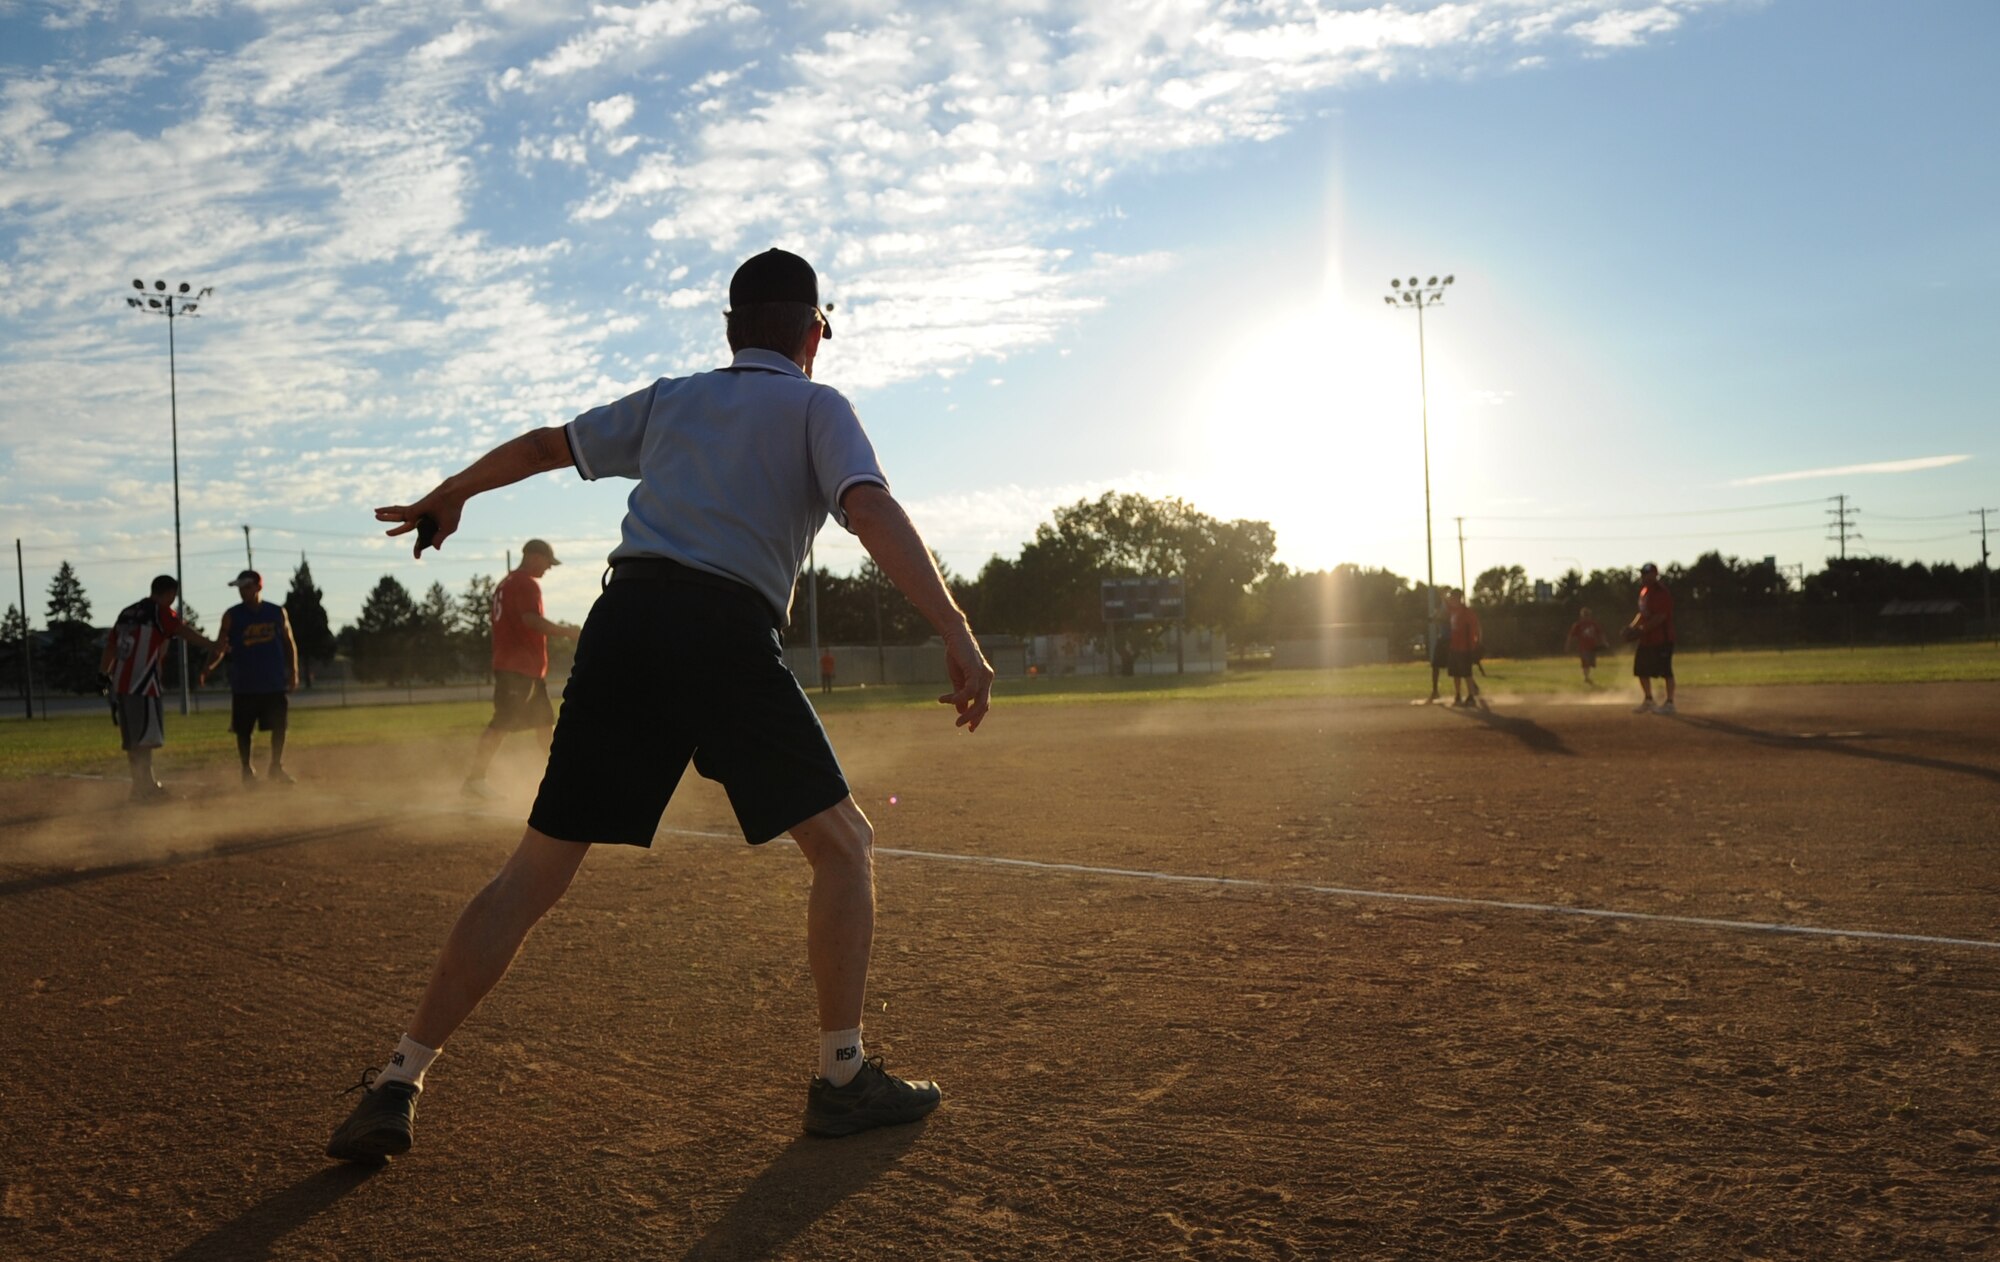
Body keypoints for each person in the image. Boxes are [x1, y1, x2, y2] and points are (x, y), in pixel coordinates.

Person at [328, 247, 995, 1165]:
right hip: (720, 631)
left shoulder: (673, 397)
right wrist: (957, 630)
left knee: (534, 873)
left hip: (623, 623)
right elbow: (869, 511)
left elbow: (542, 447)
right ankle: (843, 1078)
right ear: (814, 336)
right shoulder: (815, 404)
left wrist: (451, 495)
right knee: (846, 847)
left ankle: (399, 1079)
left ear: (730, 331)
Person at [462, 540, 579, 800]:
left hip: (527, 668)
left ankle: (556, 780)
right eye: (547, 562)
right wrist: (569, 633)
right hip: (517, 667)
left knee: (544, 723)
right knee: (502, 721)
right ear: (533, 556)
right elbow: (531, 620)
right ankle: (475, 779)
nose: (548, 568)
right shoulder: (525, 583)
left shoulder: (506, 582)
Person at [98, 575, 217, 803]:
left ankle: (139, 787)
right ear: (170, 593)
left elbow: (111, 645)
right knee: (144, 740)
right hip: (142, 684)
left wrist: (103, 675)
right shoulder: (159, 612)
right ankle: (147, 789)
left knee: (133, 741)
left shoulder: (128, 612)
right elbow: (184, 631)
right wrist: (213, 645)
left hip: (121, 684)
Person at [199, 570, 300, 785]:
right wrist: (208, 667)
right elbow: (221, 646)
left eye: (246, 587)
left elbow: (289, 643)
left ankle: (276, 767)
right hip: (245, 683)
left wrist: (294, 672)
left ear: (258, 587)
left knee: (279, 726)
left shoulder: (276, 612)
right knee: (243, 730)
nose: (242, 592)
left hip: (273, 681)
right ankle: (246, 770)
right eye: (240, 588)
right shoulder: (232, 615)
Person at [1627, 562, 1677, 714]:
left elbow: (1661, 617)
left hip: (1662, 638)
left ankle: (1670, 703)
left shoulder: (1661, 592)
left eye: (1647, 573)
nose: (1644, 576)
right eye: (1642, 573)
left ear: (1655, 574)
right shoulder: (1644, 591)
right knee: (1641, 670)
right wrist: (1632, 627)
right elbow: (1642, 614)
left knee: (1665, 671)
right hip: (1646, 639)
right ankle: (1648, 700)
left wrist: (1641, 629)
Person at [1445, 589, 1482, 708]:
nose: (1450, 600)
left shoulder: (1467, 612)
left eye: (1453, 597)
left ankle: (1471, 697)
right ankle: (1458, 695)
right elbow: (1444, 601)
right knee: (1455, 674)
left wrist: (1476, 644)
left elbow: (1476, 628)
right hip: (1454, 646)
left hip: (1465, 647)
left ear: (1458, 598)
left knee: (1467, 673)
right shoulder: (1453, 611)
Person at [1565, 606, 1606, 687]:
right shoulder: (1578, 625)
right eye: (1585, 615)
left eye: (1587, 615)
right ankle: (1586, 678)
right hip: (1583, 647)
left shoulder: (1593, 624)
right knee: (1585, 663)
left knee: (1591, 663)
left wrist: (1604, 642)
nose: (1586, 616)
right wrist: (1567, 645)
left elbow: (1600, 633)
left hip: (1592, 647)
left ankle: (1587, 677)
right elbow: (1571, 635)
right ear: (1582, 616)